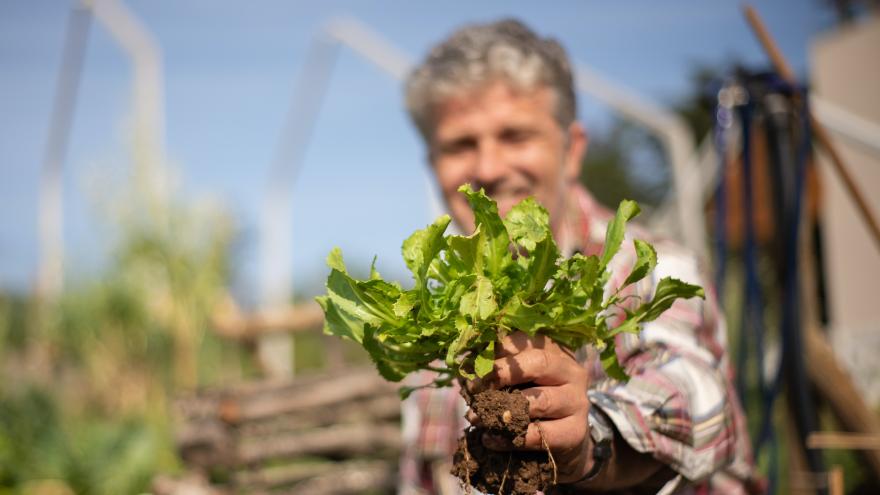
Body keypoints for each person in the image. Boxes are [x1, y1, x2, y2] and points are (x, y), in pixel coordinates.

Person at [398, 19, 756, 494]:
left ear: (572, 151)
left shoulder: (640, 269)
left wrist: (591, 441)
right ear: (433, 166)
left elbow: (699, 400)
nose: (488, 168)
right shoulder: (440, 328)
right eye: (460, 145)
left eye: (515, 136)